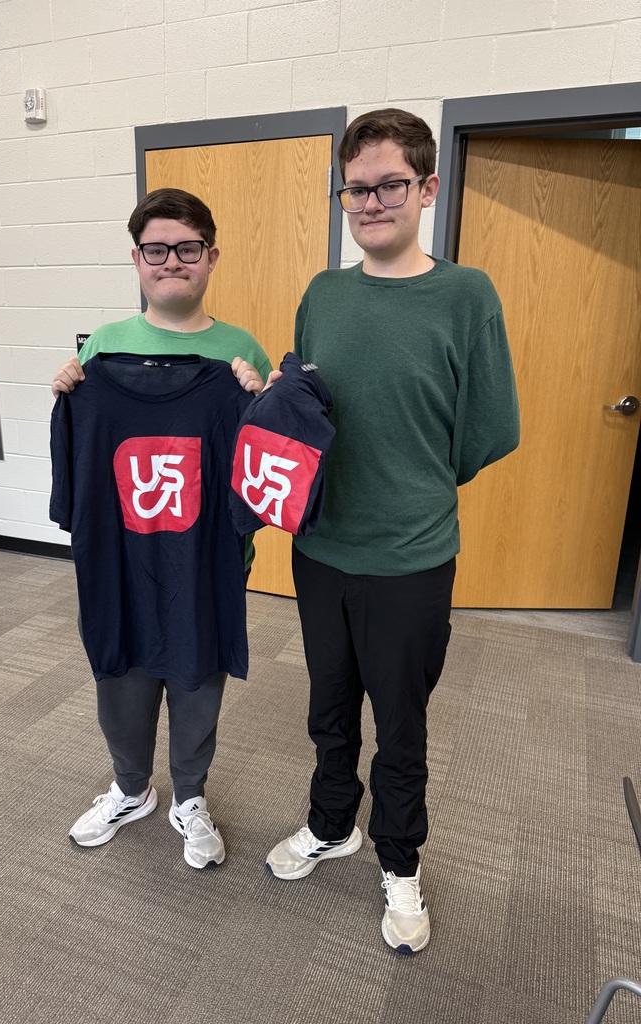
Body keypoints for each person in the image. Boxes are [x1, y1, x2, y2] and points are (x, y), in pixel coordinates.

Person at [254, 109, 520, 952]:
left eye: (390, 185)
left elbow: (488, 430)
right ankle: (333, 824)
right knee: (329, 707)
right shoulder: (323, 293)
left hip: (409, 558)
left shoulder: (466, 293)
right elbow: (308, 408)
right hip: (321, 549)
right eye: (356, 188)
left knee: (400, 725)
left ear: (426, 188)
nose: (371, 203)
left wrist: (413, 488)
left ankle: (400, 865)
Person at [51, 188, 271, 869]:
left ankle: (190, 798)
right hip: (120, 560)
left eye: (186, 249)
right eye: (156, 249)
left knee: (198, 679)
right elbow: (76, 488)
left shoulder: (240, 352)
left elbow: (263, 472)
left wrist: (260, 401)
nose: (171, 261)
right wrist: (67, 396)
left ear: (210, 257)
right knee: (122, 674)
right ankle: (130, 788)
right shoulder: (104, 350)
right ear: (138, 258)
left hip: (206, 559)